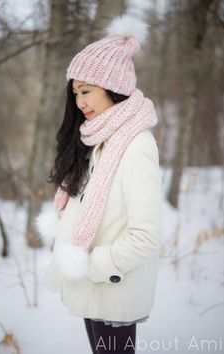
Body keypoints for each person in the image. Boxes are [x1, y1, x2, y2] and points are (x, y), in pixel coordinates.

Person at [36, 14, 162, 354]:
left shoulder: (136, 145)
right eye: (75, 92)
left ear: (113, 88)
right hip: (95, 289)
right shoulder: (97, 139)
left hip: (112, 285)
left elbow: (146, 235)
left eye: (87, 91)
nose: (79, 102)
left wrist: (93, 266)